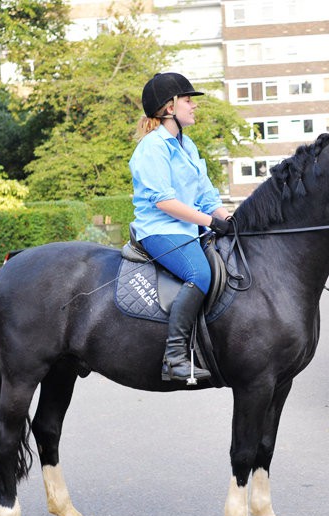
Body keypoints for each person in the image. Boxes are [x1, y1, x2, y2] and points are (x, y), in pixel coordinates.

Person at [129, 72, 231, 384]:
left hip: (187, 229)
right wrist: (210, 222)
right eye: (187, 99)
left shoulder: (187, 147)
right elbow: (164, 202)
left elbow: (206, 196)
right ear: (169, 107)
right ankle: (174, 358)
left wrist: (230, 221)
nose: (193, 105)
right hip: (159, 229)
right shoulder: (153, 147)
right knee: (199, 274)